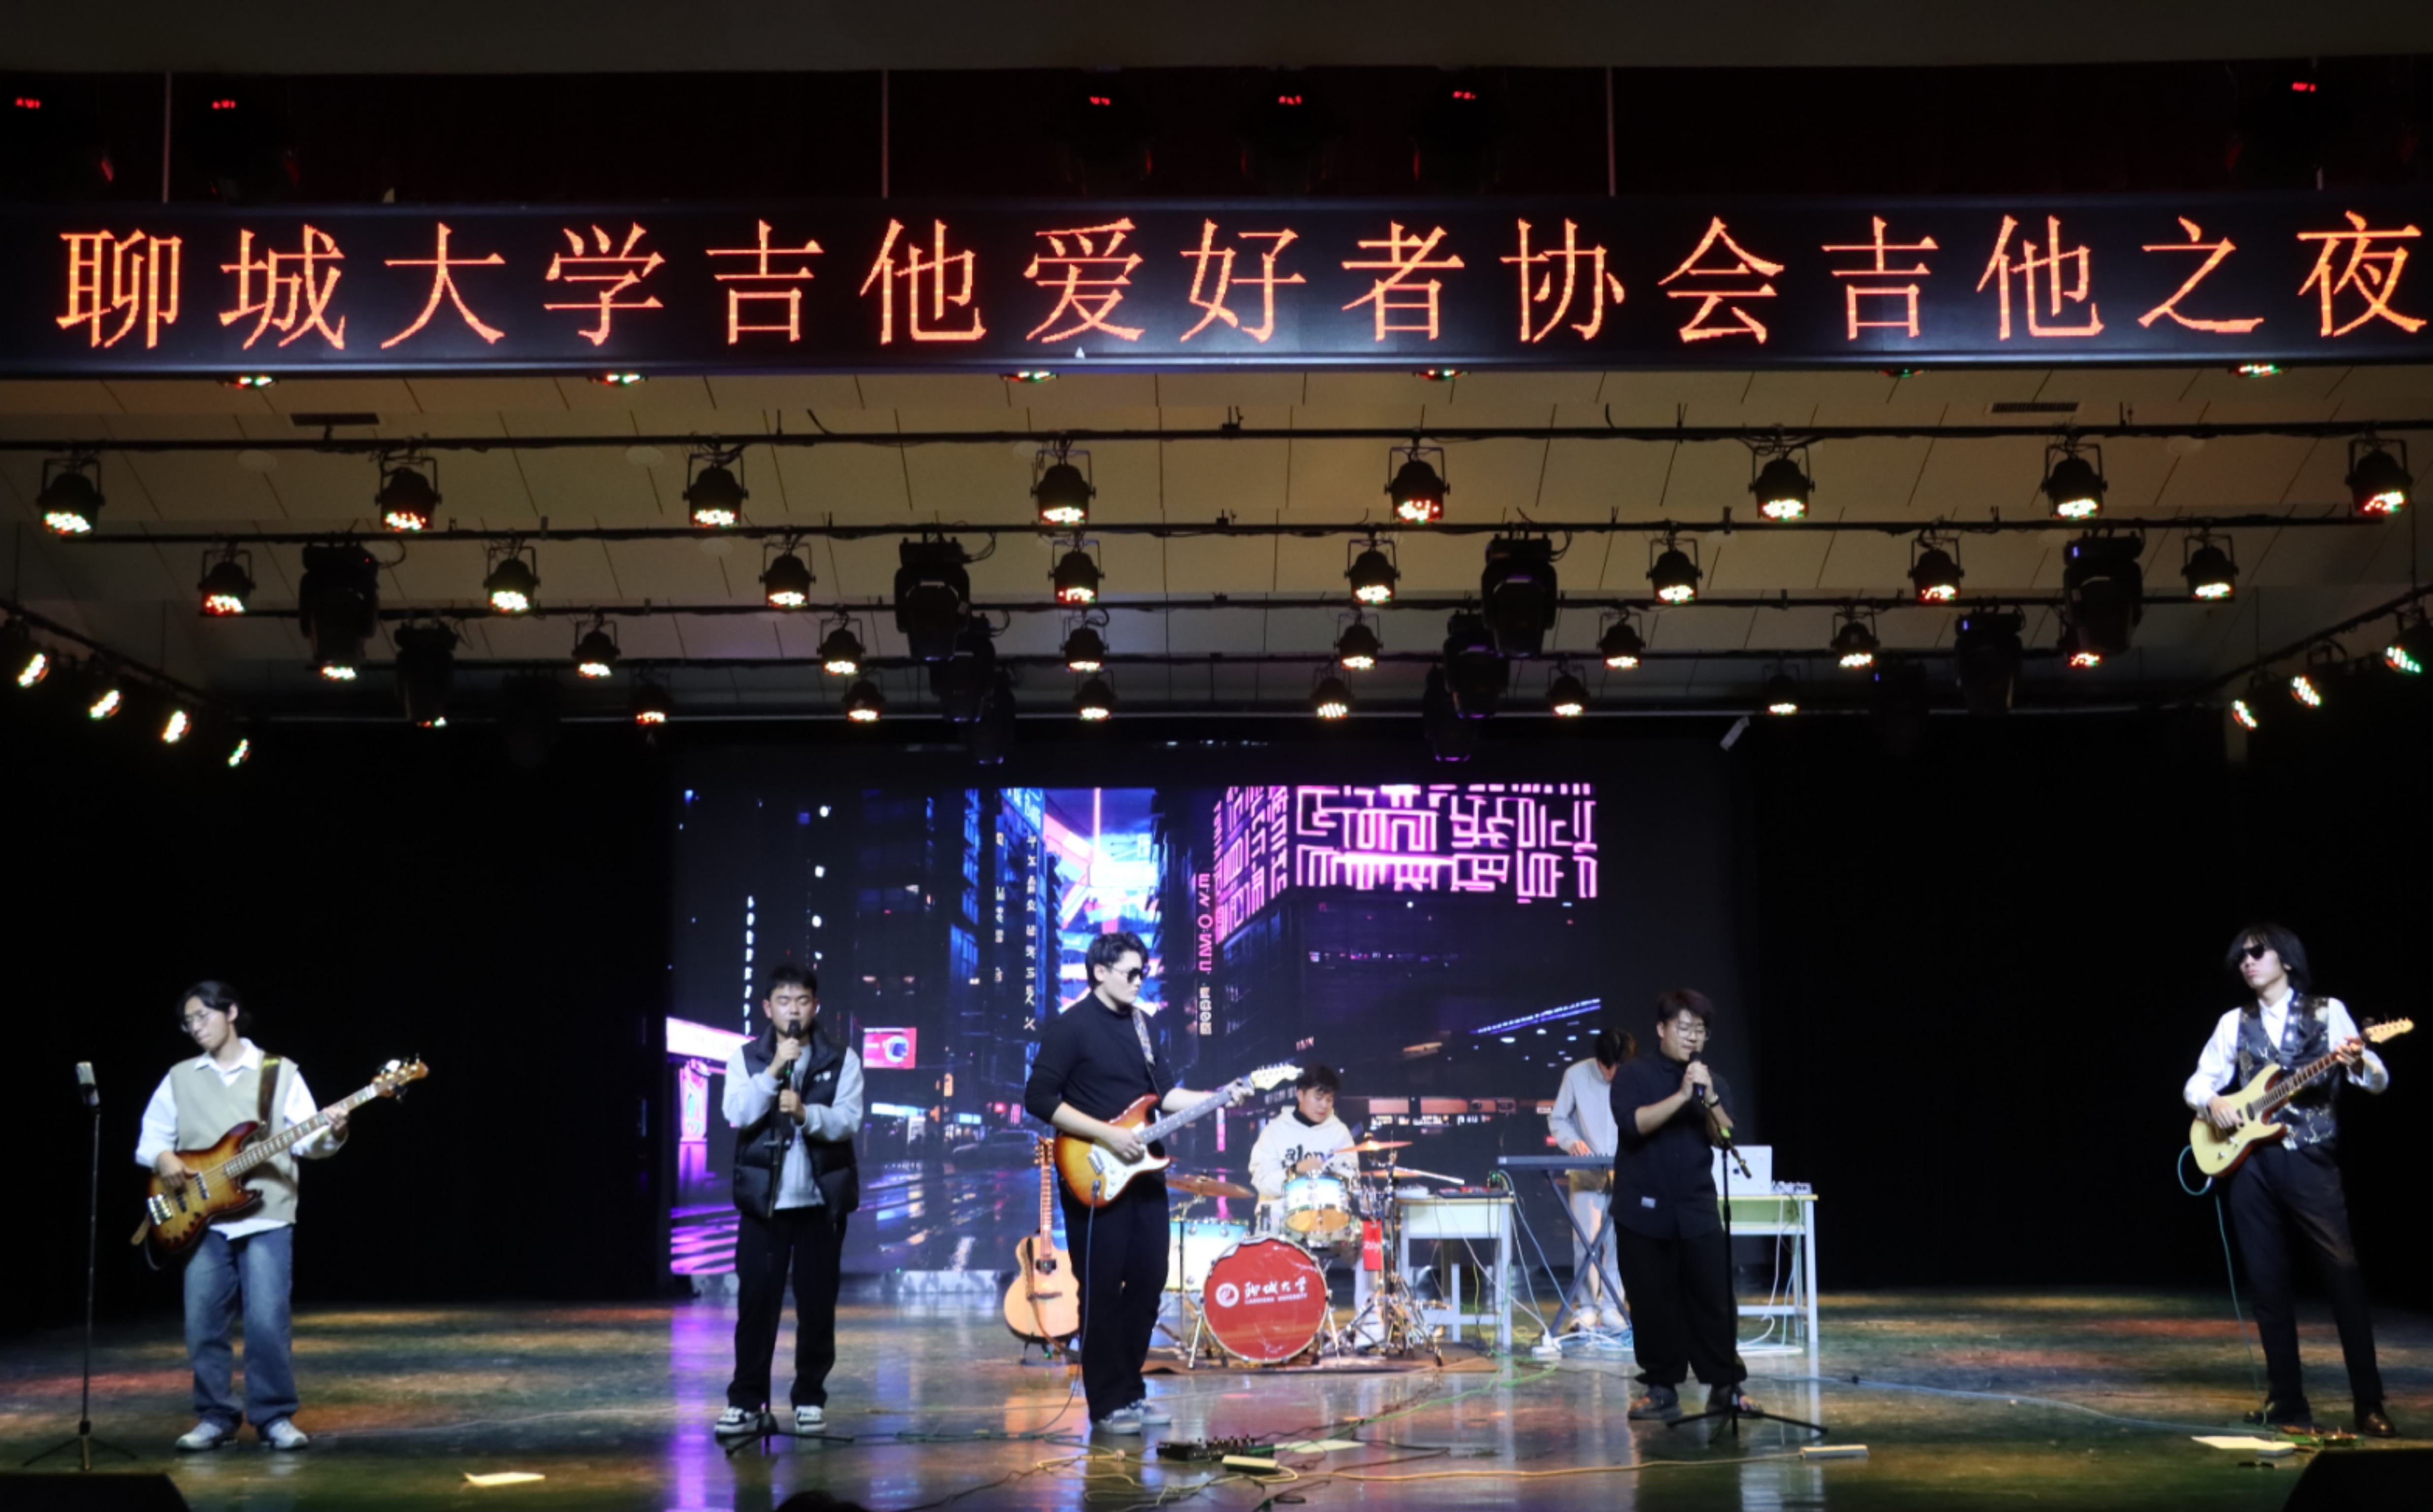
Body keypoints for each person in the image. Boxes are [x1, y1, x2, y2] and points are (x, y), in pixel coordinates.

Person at [1024, 931, 1242, 1435]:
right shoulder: (1070, 1028)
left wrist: (1221, 1095)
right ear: (1100, 973)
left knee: (1148, 1282)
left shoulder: (1146, 1027)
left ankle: (1130, 1392)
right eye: (1131, 973)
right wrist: (1107, 1135)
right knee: (1102, 1288)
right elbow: (1038, 1098)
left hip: (1144, 1173)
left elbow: (1164, 1096)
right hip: (1094, 1174)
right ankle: (1106, 1403)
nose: (1140, 981)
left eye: (1144, 973)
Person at [2184, 923, 2395, 1438]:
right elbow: (2198, 1082)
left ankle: (2369, 1403)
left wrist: (2359, 1060)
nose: (2247, 962)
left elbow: (2376, 1080)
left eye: (2257, 952)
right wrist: (2211, 1101)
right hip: (2251, 1163)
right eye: (2241, 957)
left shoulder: (2327, 1012)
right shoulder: (2234, 1022)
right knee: (2267, 1282)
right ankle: (2286, 1401)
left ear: (2286, 959)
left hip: (2309, 1160)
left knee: (2342, 1274)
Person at [136, 981, 348, 1452]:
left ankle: (273, 1417)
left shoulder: (279, 1072)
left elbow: (307, 1142)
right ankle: (215, 1417)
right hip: (202, 1219)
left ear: (231, 1012)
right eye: (188, 1022)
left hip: (267, 1214)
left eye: (202, 1016)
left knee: (268, 1323)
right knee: (203, 1324)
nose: (195, 1028)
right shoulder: (180, 1077)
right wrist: (164, 1159)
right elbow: (151, 1138)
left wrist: (333, 1131)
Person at [716, 963, 863, 1439]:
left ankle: (809, 1400)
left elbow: (848, 1121)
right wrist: (775, 1069)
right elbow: (737, 1113)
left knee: (817, 1307)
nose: (793, 1011)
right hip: (763, 1207)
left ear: (815, 1006)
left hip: (820, 1205)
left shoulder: (842, 1059)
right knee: (756, 1306)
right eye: (784, 1001)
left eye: (802, 1001)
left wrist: (805, 1113)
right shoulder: (746, 1058)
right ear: (768, 1008)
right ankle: (746, 1402)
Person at [1609, 989, 1752, 1422]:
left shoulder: (1713, 1081)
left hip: (1696, 1208)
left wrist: (1708, 1097)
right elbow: (1633, 1125)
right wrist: (1681, 1094)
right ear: (1662, 1029)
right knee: (1652, 1302)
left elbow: (1725, 1138)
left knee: (1715, 1300)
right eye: (1684, 1027)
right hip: (1642, 1211)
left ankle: (1725, 1387)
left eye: (1700, 1030)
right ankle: (1661, 1388)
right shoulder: (1634, 1075)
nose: (1693, 1037)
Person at [1549, 1028, 1633, 1333]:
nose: (1613, 1074)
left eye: (1619, 1068)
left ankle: (1612, 1306)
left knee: (1620, 1241)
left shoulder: (1635, 1077)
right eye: (1608, 1068)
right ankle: (1587, 1307)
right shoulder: (1576, 1076)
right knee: (1585, 1241)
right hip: (1587, 1171)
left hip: (1625, 1169)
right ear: (1599, 1061)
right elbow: (1558, 1119)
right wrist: (1573, 1142)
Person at [1248, 1063, 1359, 1219]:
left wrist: (1328, 1178)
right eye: (1318, 1098)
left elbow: (1350, 1178)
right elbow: (1263, 1183)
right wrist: (1296, 1171)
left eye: (1329, 1099)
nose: (1324, 1105)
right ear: (1301, 1095)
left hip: (1326, 1220)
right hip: (1278, 1220)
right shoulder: (1274, 1131)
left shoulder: (1339, 1132)